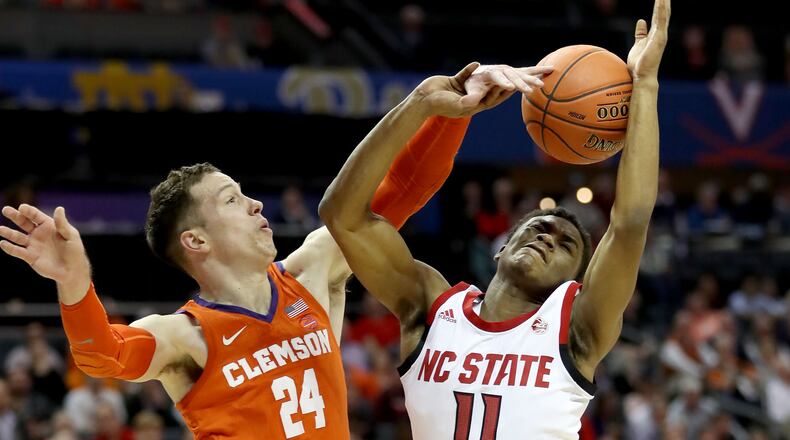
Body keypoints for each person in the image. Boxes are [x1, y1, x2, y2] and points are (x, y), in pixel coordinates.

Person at [0, 74, 512, 437]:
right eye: (231, 199)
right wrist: (73, 281)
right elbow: (102, 355)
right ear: (196, 241)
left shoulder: (312, 272)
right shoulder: (187, 335)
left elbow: (398, 191)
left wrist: (447, 115)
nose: (255, 203)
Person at [318, 0, 670, 438]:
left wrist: (645, 84)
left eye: (565, 246)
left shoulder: (576, 330)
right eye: (538, 228)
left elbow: (630, 221)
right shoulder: (432, 307)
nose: (547, 238)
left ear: (573, 284)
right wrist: (423, 102)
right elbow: (342, 215)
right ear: (502, 245)